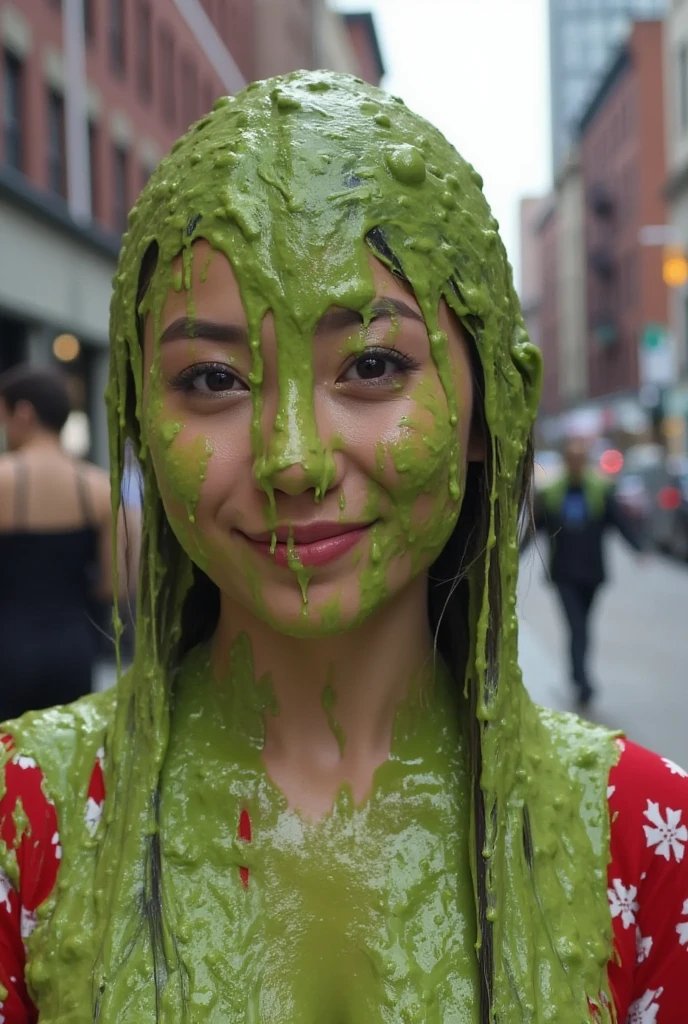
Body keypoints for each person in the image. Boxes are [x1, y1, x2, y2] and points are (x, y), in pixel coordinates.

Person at [0, 72, 686, 1024]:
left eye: (372, 366)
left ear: (489, 406)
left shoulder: (647, 835)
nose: (293, 460)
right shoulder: (21, 821)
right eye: (212, 377)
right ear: (142, 427)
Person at [0, 365, 125, 720]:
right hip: (72, 647)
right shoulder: (100, 488)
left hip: (6, 646)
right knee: (64, 761)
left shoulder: (3, 478)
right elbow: (115, 584)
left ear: (24, 412)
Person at [530, 437, 646, 706]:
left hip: (592, 574)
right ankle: (581, 680)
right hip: (563, 574)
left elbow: (620, 522)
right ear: (565, 462)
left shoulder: (600, 491)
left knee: (583, 626)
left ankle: (578, 674)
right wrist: (511, 552)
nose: (576, 465)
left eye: (580, 460)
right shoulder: (551, 494)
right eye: (571, 460)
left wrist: (639, 549)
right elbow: (534, 529)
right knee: (577, 627)